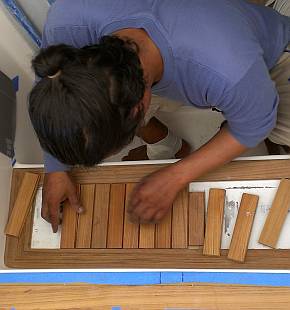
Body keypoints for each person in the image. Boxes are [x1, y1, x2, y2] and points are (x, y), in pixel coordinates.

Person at [29, 0, 290, 232]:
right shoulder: (66, 20)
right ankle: (168, 144)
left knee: (275, 124)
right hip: (188, 59)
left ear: (139, 109)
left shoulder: (227, 72)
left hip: (272, 55)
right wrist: (56, 169)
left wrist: (176, 176)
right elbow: (60, 95)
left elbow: (252, 127)